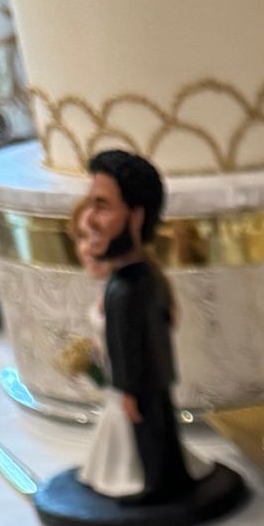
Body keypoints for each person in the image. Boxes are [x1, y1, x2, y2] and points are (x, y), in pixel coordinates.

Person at [72, 149, 199, 505]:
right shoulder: (135, 280)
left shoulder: (128, 288)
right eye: (90, 204)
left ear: (136, 217)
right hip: (151, 378)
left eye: (102, 205)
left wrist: (127, 389)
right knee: (159, 433)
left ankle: (157, 487)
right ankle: (165, 480)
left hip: (141, 382)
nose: (89, 219)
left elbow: (127, 342)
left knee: (152, 437)